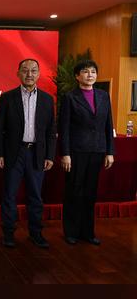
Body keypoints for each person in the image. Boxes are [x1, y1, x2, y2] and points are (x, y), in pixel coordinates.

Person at [0, 59, 56, 248]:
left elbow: (51, 131)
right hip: (14, 153)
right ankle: (8, 233)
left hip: (37, 153)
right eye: (25, 70)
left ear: (38, 74)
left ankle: (36, 233)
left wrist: (49, 156)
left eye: (33, 71)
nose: (29, 74)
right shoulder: (7, 98)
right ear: (18, 73)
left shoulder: (47, 100)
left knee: (35, 196)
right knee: (9, 195)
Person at [59, 59, 114, 245]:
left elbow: (108, 125)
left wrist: (110, 151)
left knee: (90, 193)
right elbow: (64, 128)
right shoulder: (70, 97)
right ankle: (71, 232)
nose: (90, 75)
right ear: (77, 76)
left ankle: (88, 233)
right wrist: (65, 153)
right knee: (74, 191)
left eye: (93, 71)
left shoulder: (103, 96)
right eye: (85, 71)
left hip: (97, 150)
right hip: (76, 152)